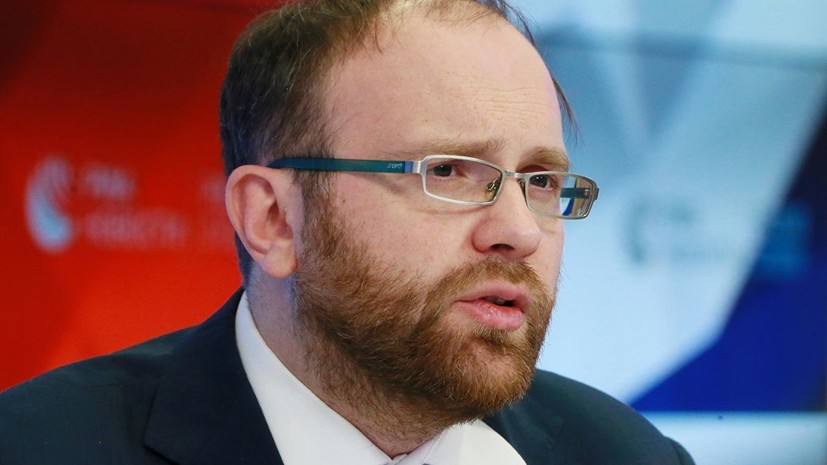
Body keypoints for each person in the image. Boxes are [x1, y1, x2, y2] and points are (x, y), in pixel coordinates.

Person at [0, 0, 695, 464]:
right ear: (273, 219)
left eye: (540, 181)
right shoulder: (39, 447)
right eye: (446, 171)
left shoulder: (625, 453)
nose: (519, 231)